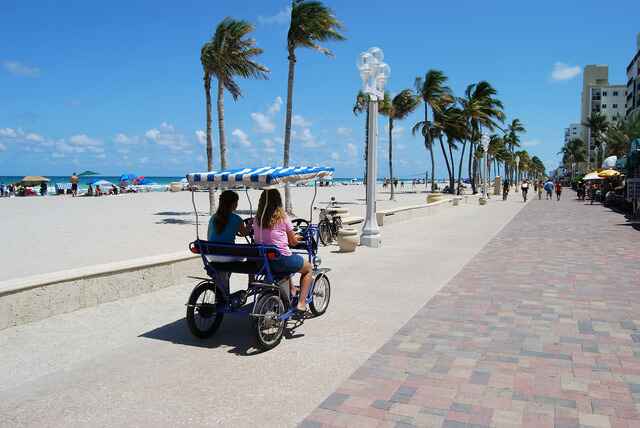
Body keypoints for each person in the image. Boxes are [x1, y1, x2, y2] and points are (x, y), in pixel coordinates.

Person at [253, 189, 312, 315]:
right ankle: (301, 303)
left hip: (262, 262)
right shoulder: (282, 217)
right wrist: (298, 237)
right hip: (280, 260)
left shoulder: (257, 218)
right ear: (278, 201)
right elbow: (293, 242)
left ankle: (291, 291)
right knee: (308, 268)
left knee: (287, 263)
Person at [206, 190, 249, 293]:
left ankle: (223, 288)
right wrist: (249, 227)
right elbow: (244, 233)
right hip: (227, 254)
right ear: (233, 203)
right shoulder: (237, 219)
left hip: (212, 254)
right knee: (250, 255)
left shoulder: (213, 218)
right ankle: (251, 283)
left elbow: (209, 236)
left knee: (224, 267)